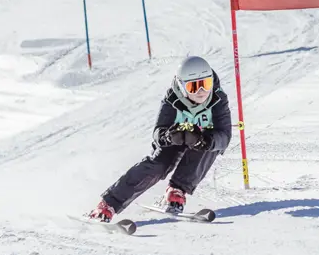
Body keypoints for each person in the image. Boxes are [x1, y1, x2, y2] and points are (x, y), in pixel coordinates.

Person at [86, 56, 232, 222]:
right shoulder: (172, 99)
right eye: (193, 87)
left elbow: (225, 136)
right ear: (182, 86)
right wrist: (169, 136)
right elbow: (158, 133)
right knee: (158, 165)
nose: (201, 92)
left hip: (200, 138)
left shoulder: (218, 99)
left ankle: (177, 191)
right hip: (174, 141)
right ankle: (109, 204)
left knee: (209, 147)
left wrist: (205, 140)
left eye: (205, 84)